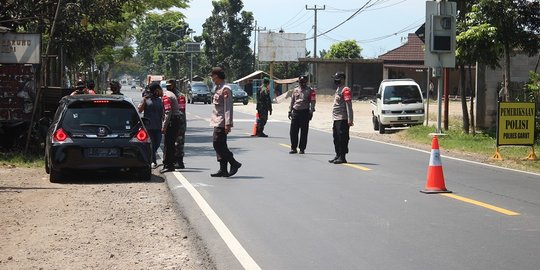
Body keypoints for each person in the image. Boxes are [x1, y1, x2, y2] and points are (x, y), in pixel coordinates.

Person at [209, 66, 242, 177]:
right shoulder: (218, 88)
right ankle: (223, 170)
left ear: (217, 76)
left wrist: (228, 123)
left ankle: (234, 163)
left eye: (212, 76)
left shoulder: (226, 89)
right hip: (217, 120)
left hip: (222, 121)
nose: (212, 79)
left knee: (217, 144)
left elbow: (228, 107)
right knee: (221, 144)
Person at [329, 72, 354, 164]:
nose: (336, 80)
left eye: (338, 78)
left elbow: (349, 105)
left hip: (343, 118)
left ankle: (342, 157)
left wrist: (350, 119)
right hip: (336, 118)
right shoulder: (338, 89)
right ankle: (337, 155)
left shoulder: (345, 90)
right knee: (336, 138)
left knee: (342, 138)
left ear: (343, 79)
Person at [138, 82, 164, 168]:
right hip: (149, 127)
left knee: (157, 143)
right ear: (155, 90)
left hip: (158, 126)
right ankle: (153, 161)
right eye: (159, 89)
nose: (160, 91)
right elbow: (140, 110)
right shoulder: (146, 99)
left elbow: (163, 114)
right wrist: (144, 101)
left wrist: (164, 125)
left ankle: (151, 158)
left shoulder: (160, 100)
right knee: (152, 144)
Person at [288, 74, 316, 154]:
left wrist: (311, 112)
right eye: (301, 82)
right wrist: (290, 111)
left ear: (306, 82)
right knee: (293, 131)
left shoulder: (310, 90)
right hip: (296, 112)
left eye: (304, 82)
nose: (302, 83)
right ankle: (293, 148)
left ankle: (302, 148)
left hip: (304, 112)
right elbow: (292, 101)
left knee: (304, 131)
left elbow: (313, 102)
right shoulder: (295, 90)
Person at [160, 81, 183, 173]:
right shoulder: (171, 94)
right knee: (170, 143)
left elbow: (168, 112)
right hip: (175, 120)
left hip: (172, 121)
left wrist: (164, 126)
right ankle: (169, 164)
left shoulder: (166, 96)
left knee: (168, 143)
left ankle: (168, 165)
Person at [166, 79, 187, 169]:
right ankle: (172, 160)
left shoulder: (180, 96)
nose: (168, 87)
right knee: (171, 142)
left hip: (179, 121)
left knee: (179, 142)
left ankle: (179, 161)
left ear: (174, 85)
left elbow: (181, 110)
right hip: (170, 121)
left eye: (169, 86)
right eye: (167, 86)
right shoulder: (167, 95)